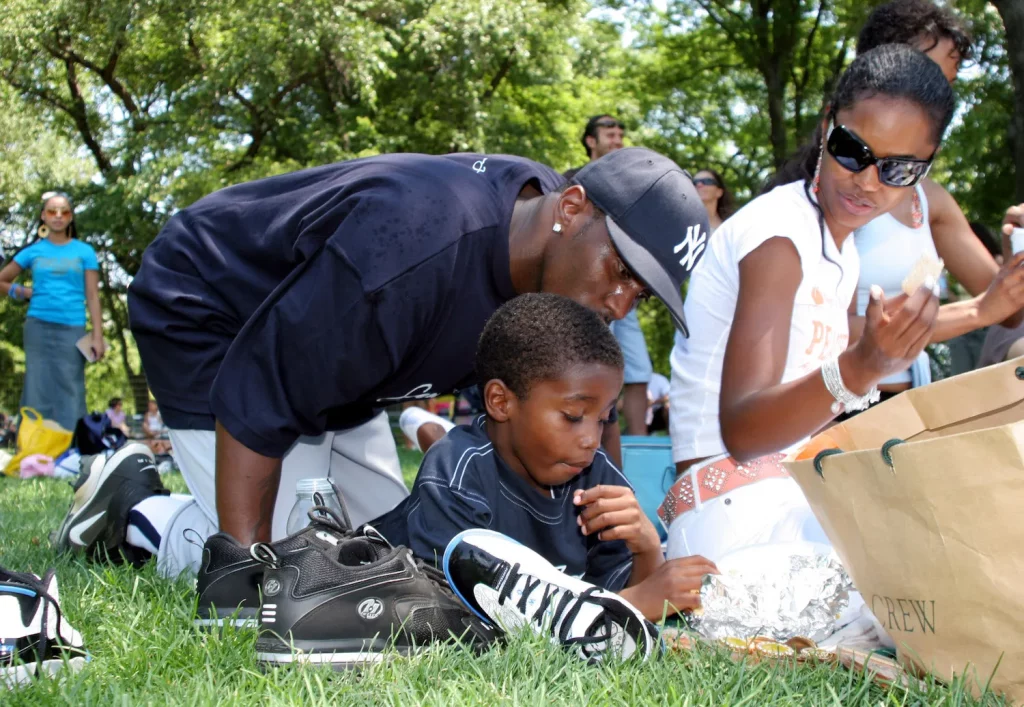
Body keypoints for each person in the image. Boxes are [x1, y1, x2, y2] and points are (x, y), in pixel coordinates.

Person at [54, 148, 710, 631]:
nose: (621, 304)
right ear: (572, 208)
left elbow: (587, 418)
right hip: (213, 308)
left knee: (390, 555)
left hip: (336, 346)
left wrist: (615, 535)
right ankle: (140, 510)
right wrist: (241, 567)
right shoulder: (413, 249)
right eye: (621, 270)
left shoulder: (548, 257)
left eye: (641, 293)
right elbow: (263, 385)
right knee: (289, 564)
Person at [664, 44, 958, 563]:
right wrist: (863, 366)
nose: (867, 181)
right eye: (852, 150)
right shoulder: (778, 237)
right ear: (827, 127)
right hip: (730, 520)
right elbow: (746, 433)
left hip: (787, 502)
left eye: (897, 170)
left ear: (923, 171)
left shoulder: (837, 246)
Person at [373, 293, 717, 621]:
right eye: (572, 416)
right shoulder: (458, 475)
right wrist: (633, 605)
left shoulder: (595, 475)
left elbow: (629, 595)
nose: (591, 440)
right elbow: (463, 617)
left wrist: (648, 549)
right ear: (500, 401)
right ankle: (427, 428)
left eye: (604, 418)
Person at [849, 0, 1024, 401]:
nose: (943, 99)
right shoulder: (840, 191)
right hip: (833, 414)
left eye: (949, 83)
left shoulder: (930, 200)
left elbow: (1009, 311)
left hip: (907, 408)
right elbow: (818, 327)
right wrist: (976, 313)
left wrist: (1015, 244)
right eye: (932, 77)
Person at [565, 115, 655, 441]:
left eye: (620, 133)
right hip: (589, 291)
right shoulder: (576, 181)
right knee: (590, 365)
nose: (617, 139)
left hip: (625, 291)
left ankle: (640, 445)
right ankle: (591, 439)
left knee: (639, 369)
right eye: (609, 134)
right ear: (591, 141)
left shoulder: (633, 185)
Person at [0, 192, 105, 431]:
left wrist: (97, 336)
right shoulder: (33, 251)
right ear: (43, 217)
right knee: (37, 384)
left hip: (73, 327)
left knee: (71, 384)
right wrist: (24, 292)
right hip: (37, 325)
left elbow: (92, 296)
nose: (58, 216)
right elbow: (2, 281)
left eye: (64, 211)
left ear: (71, 217)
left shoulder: (85, 252)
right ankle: (35, 448)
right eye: (52, 211)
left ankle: (71, 449)